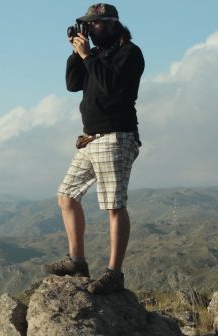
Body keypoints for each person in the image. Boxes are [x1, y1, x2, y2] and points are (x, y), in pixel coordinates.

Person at [42, 3, 145, 294]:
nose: (91, 30)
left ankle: (114, 273)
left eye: (95, 25)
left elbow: (111, 86)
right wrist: (77, 53)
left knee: (114, 206)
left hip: (116, 136)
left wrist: (88, 55)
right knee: (66, 196)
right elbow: (73, 84)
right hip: (91, 138)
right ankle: (77, 260)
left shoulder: (129, 53)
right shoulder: (96, 55)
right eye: (88, 25)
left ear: (112, 24)